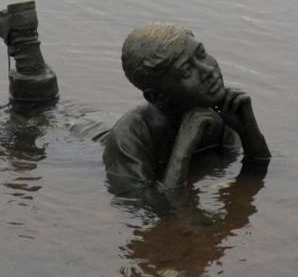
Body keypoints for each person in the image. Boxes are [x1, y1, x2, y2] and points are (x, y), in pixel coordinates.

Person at [102, 24, 271, 188]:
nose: (208, 71)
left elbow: (258, 172)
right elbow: (150, 206)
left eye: (202, 53)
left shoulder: (218, 112)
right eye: (186, 71)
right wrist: (183, 147)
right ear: (157, 96)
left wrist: (249, 132)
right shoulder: (128, 138)